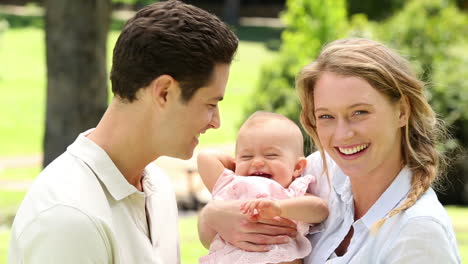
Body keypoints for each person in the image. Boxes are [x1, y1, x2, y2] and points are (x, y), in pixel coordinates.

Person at [8, 1, 238, 263]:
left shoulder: (158, 188)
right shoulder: (69, 218)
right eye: (210, 104)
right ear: (164, 92)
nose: (216, 122)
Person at [198, 38, 461, 263]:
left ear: (402, 111)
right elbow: (222, 200)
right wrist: (213, 214)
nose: (343, 134)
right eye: (326, 117)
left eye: (359, 112)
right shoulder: (319, 172)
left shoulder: (418, 231)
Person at [197, 111, 328, 264]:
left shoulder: (291, 194)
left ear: (297, 167)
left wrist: (280, 207)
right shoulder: (233, 186)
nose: (257, 162)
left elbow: (320, 210)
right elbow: (204, 157)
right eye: (247, 156)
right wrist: (238, 165)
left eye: (271, 155)